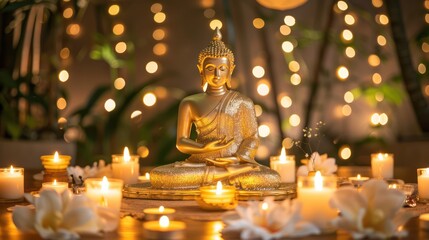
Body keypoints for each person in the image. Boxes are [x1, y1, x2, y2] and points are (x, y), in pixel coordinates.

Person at [150, 28, 280, 190]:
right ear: (201, 69)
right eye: (210, 68)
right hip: (200, 164)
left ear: (230, 70)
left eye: (222, 69)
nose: (217, 74)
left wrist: (238, 158)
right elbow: (181, 142)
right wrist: (203, 148)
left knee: (269, 178)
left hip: (235, 164)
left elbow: (252, 137)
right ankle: (223, 179)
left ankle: (216, 178)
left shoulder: (242, 102)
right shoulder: (190, 102)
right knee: (162, 176)